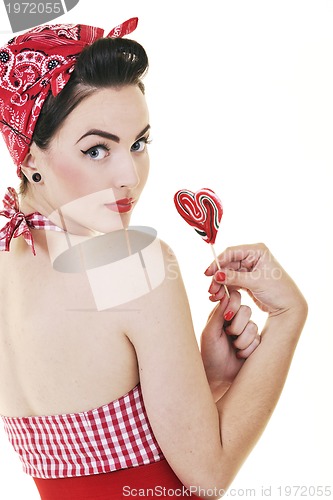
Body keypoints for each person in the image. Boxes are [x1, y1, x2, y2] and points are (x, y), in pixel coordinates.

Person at [0, 18, 307, 500]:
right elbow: (208, 475)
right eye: (97, 149)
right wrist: (288, 318)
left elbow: (95, 460)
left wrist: (198, 381)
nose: (129, 176)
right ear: (29, 157)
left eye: (139, 144)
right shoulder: (132, 263)